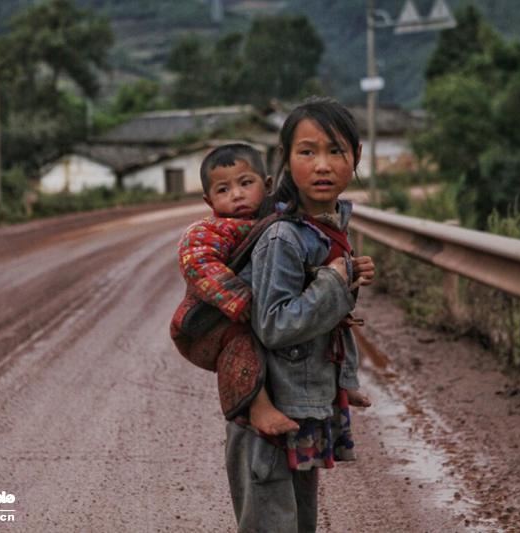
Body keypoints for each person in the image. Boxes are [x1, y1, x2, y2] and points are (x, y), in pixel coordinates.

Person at [225, 96, 374, 532]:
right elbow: (274, 325)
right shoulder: (283, 237)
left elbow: (326, 322)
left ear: (356, 158)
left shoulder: (326, 228)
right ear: (287, 162)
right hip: (267, 418)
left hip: (300, 407)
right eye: (307, 152)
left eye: (336, 151)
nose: (322, 165)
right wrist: (332, 281)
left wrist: (345, 382)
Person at [170, 143, 300, 435]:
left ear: (266, 185)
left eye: (245, 183)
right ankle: (258, 407)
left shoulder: (279, 220)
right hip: (211, 323)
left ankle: (341, 385)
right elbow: (197, 264)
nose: (237, 195)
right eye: (223, 190)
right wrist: (237, 299)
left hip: (261, 311)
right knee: (239, 343)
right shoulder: (208, 232)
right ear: (209, 200)